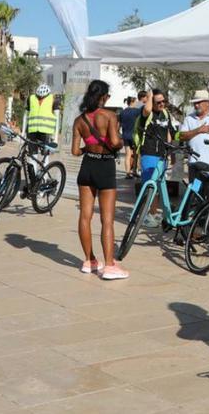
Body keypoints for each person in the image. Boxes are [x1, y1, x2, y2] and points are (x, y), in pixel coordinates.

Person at [72, 80, 127, 280]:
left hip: (87, 166)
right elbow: (113, 142)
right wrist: (121, 141)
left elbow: (75, 151)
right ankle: (110, 265)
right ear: (103, 96)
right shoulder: (109, 116)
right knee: (107, 220)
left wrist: (90, 147)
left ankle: (89, 260)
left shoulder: (79, 120)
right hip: (105, 166)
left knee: (85, 217)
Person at [133, 88, 177, 228]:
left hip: (162, 155)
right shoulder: (147, 113)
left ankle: (153, 213)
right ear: (152, 102)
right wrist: (150, 95)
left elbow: (170, 134)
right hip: (149, 153)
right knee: (149, 185)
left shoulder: (165, 114)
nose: (162, 104)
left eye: (164, 101)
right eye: (158, 102)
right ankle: (145, 215)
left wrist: (172, 153)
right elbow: (146, 109)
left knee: (158, 186)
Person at [179, 90, 209, 199]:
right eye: (195, 103)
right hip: (194, 166)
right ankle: (196, 215)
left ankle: (208, 216)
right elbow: (180, 136)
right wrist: (199, 130)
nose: (196, 105)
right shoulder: (189, 118)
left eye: (199, 102)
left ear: (207, 103)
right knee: (195, 195)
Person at [23, 83, 61, 162]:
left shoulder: (53, 99)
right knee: (32, 155)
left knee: (45, 155)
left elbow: (57, 119)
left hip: (46, 133)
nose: (40, 98)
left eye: (42, 97)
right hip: (32, 132)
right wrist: (23, 131)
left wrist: (55, 137)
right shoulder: (31, 98)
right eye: (39, 96)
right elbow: (25, 115)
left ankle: (45, 174)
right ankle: (33, 174)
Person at [119, 91, 146, 179]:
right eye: (135, 102)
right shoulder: (137, 111)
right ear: (132, 102)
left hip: (125, 135)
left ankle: (127, 172)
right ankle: (134, 171)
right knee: (136, 154)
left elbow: (119, 124)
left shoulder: (122, 112)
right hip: (135, 136)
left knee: (128, 155)